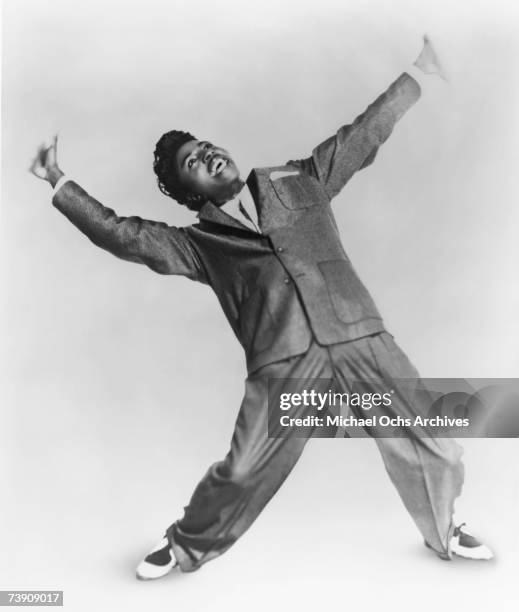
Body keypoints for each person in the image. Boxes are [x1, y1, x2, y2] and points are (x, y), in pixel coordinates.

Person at [30, 35, 493, 580]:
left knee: (433, 443)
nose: (206, 154)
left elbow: (362, 134)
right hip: (285, 360)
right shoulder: (198, 244)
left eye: (204, 145)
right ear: (190, 192)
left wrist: (417, 72)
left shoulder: (302, 177)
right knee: (245, 469)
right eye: (192, 163)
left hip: (360, 335)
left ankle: (444, 530)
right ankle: (185, 544)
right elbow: (123, 234)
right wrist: (59, 182)